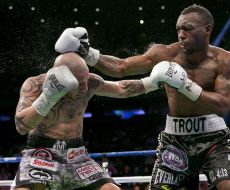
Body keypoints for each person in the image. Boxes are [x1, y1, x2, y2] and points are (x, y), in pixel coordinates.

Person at [54, 4, 230, 190]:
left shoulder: (226, 60)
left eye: (187, 29)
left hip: (214, 139)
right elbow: (122, 67)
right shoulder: (165, 54)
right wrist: (87, 53)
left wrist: (185, 85)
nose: (181, 34)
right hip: (176, 140)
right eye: (178, 29)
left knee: (228, 186)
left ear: (207, 29)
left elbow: (223, 104)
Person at [12, 52, 159, 190]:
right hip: (40, 155)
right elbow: (21, 127)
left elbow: (121, 89)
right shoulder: (35, 85)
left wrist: (154, 82)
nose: (86, 87)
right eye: (80, 83)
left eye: (86, 80)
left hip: (77, 156)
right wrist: (48, 97)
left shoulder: (90, 82)